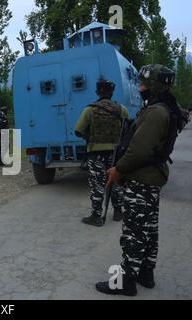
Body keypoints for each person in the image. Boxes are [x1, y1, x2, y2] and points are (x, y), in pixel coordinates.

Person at [96, 64, 188, 296]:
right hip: (151, 178)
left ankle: (125, 281)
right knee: (148, 228)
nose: (140, 87)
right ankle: (146, 273)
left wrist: (118, 169)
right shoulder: (165, 108)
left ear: (155, 86)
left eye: (144, 84)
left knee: (134, 230)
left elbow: (138, 151)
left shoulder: (156, 112)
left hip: (141, 178)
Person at [75, 80, 130, 226]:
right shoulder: (121, 109)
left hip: (96, 153)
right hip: (115, 154)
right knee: (115, 182)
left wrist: (89, 136)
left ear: (97, 92)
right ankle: (118, 211)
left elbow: (78, 131)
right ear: (112, 92)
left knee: (97, 185)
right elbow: (129, 130)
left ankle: (96, 216)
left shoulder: (89, 110)